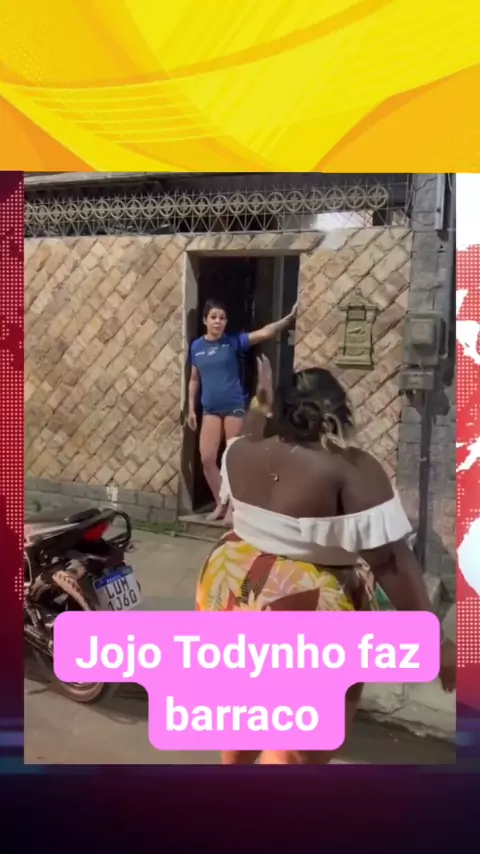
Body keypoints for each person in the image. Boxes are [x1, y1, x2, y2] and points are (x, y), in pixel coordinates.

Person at [195, 357, 457, 765]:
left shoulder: (240, 452)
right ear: (338, 415)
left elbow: (250, 430)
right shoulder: (351, 471)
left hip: (232, 591)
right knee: (302, 744)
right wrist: (435, 641)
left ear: (281, 411)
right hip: (304, 608)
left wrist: (261, 400)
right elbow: (390, 562)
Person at [187, 298, 297, 520]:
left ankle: (233, 508)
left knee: (233, 460)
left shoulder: (233, 342)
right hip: (209, 409)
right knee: (207, 459)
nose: (218, 322)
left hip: (233, 406)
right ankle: (221, 502)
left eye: (222, 318)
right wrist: (191, 408)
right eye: (213, 317)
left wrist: (288, 319)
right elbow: (194, 379)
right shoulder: (196, 347)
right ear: (205, 321)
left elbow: (264, 333)